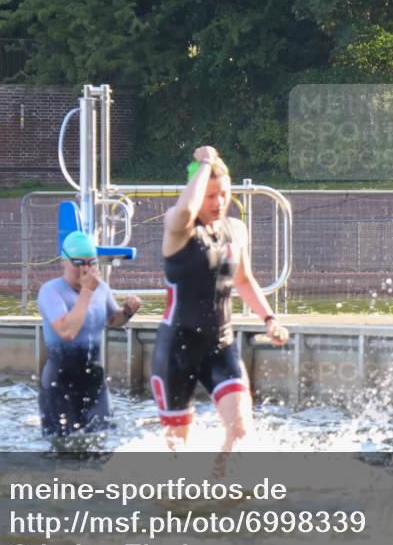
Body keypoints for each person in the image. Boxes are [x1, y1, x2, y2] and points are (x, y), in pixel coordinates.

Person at [151, 146, 289, 452]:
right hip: (177, 349)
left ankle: (221, 491)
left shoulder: (235, 230)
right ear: (197, 192)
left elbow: (243, 280)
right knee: (177, 452)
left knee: (240, 428)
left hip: (220, 345)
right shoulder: (178, 228)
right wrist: (205, 163)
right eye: (210, 196)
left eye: (224, 194)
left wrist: (269, 319)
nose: (219, 202)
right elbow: (187, 211)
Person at [37, 231, 141, 436]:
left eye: (91, 262)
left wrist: (127, 311)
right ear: (63, 261)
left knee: (104, 442)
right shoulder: (51, 291)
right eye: (78, 263)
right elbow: (66, 331)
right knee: (63, 451)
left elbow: (112, 320)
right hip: (60, 384)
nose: (85, 269)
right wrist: (86, 292)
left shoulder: (101, 289)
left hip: (94, 383)